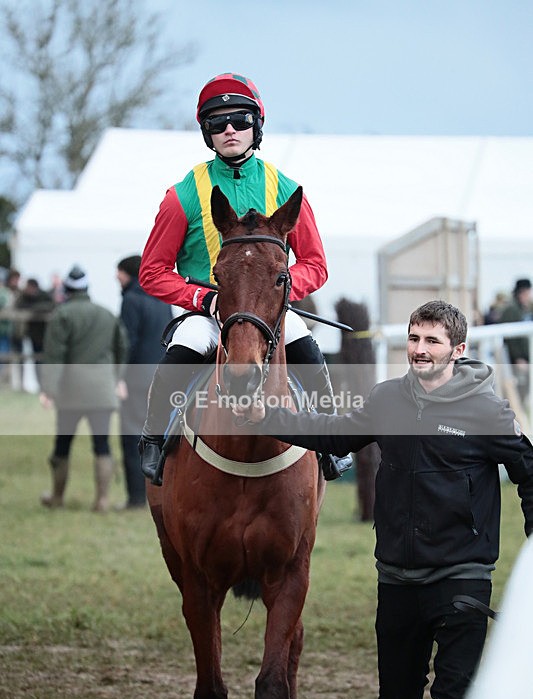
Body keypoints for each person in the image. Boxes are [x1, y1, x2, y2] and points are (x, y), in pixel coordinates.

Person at [235, 299, 533, 699]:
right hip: (397, 576)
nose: (420, 349)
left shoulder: (486, 411)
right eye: (414, 339)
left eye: (432, 340)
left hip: (462, 576)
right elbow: (334, 434)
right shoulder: (387, 399)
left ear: (457, 349)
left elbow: (528, 469)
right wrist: (270, 419)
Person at [137, 71, 352, 485]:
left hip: (269, 311)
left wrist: (280, 291)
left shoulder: (284, 188)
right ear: (207, 132)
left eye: (239, 120)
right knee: (180, 354)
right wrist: (203, 300)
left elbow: (315, 263)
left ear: (257, 126)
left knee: (308, 350)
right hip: (208, 310)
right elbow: (152, 272)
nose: (230, 129)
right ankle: (152, 441)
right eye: (217, 123)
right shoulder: (182, 195)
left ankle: (329, 444)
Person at [39, 265, 128, 512]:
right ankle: (102, 500)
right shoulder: (107, 314)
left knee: (63, 444)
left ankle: (57, 497)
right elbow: (122, 348)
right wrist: (117, 379)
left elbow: (55, 355)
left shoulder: (62, 314)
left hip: (71, 392)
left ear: (67, 288)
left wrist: (48, 389)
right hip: (103, 390)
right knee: (102, 444)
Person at [116, 255, 172, 509]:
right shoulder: (162, 298)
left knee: (131, 435)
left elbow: (127, 343)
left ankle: (137, 497)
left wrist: (119, 376)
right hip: (161, 375)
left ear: (129, 274)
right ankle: (159, 491)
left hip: (135, 377)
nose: (116, 277)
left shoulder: (131, 300)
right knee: (157, 434)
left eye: (119, 273)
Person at [15, 277, 55, 385]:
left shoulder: (44, 296)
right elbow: (19, 306)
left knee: (45, 360)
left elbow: (51, 305)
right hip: (34, 334)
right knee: (36, 360)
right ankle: (39, 384)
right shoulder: (25, 297)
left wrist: (33, 309)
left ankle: (46, 384)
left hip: (45, 334)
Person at [499, 278, 533, 402]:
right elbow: (509, 338)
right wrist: (518, 357)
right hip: (516, 359)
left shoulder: (525, 309)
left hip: (526, 357)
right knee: (517, 390)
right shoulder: (512, 310)